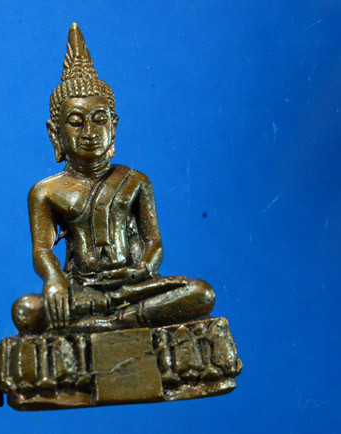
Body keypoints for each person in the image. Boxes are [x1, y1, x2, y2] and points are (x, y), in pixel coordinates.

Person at [12, 24, 215, 334]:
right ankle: (118, 317)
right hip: (82, 288)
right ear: (55, 134)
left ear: (113, 126)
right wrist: (54, 280)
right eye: (76, 122)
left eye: (99, 120)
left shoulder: (135, 181)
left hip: (133, 286)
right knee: (26, 310)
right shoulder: (46, 192)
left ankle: (112, 322)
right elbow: (42, 250)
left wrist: (144, 268)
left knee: (201, 293)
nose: (90, 133)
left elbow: (154, 241)